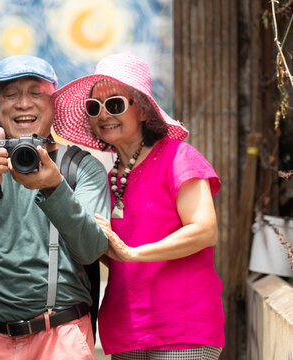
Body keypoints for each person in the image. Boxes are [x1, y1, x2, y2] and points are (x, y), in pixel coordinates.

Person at [0, 55, 110, 359]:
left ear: (53, 101)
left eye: (36, 93)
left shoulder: (80, 169)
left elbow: (92, 249)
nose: (23, 104)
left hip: (59, 338)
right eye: (11, 94)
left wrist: (55, 187)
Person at [52, 52, 225, 359]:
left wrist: (134, 253)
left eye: (115, 104)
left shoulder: (178, 158)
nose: (104, 115)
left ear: (144, 110)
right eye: (95, 108)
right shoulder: (107, 179)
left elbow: (204, 231)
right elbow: (116, 253)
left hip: (182, 328)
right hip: (126, 329)